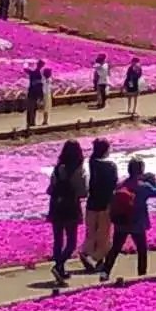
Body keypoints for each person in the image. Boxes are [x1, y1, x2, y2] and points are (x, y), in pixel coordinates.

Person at [101, 158, 156, 281]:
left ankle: (105, 272)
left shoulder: (121, 185)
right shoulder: (143, 186)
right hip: (137, 224)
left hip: (121, 222)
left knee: (115, 248)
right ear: (141, 170)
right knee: (142, 250)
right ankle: (142, 275)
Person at [46, 140, 85, 285]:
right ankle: (59, 266)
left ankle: (60, 269)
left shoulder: (57, 168)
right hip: (71, 209)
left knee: (58, 240)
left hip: (56, 207)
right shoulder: (78, 170)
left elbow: (51, 188)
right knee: (71, 242)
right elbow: (83, 192)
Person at [82, 138, 119, 276]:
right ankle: (94, 258)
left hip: (92, 203)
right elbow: (114, 184)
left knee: (91, 232)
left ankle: (87, 254)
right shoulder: (110, 166)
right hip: (105, 204)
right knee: (103, 234)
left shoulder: (92, 162)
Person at [25, 61, 49, 130]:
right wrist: (41, 95)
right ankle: (31, 123)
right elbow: (40, 85)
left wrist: (25, 63)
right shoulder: (40, 74)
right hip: (36, 93)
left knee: (31, 109)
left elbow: (26, 70)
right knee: (33, 109)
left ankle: (30, 123)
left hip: (32, 93)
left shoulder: (34, 72)